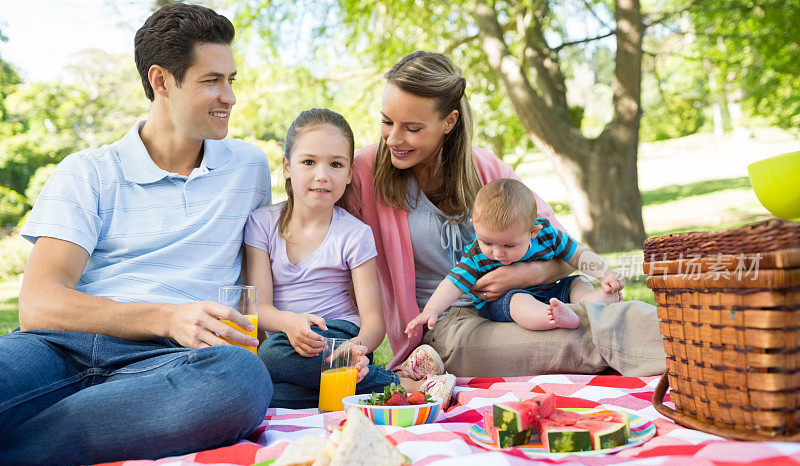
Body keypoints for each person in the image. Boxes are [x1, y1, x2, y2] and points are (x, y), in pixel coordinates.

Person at [0, 3, 272, 466]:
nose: (229, 96)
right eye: (212, 81)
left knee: (241, 379)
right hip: (59, 347)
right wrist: (167, 316)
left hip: (175, 363)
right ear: (162, 81)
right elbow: (39, 304)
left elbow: (258, 283)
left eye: (232, 80)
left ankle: (22, 451)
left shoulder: (248, 168)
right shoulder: (88, 172)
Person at [352, 50, 667, 378]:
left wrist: (524, 276)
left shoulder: (486, 171)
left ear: (449, 122)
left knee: (614, 313)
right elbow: (312, 218)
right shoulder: (366, 172)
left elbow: (558, 247)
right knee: (571, 342)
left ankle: (698, 341)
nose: (394, 138)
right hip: (446, 330)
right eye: (387, 122)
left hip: (520, 304)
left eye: (412, 128)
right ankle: (684, 353)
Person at [246, 108, 454, 408]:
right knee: (268, 388)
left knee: (270, 358)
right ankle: (384, 380)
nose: (322, 175)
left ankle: (401, 385)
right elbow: (260, 309)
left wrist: (353, 350)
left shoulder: (354, 234)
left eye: (335, 164)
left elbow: (373, 324)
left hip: (339, 337)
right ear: (287, 167)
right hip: (288, 340)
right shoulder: (262, 224)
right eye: (308, 162)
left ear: (348, 174)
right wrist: (290, 323)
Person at [406, 178, 625, 335]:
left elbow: (578, 255)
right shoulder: (476, 254)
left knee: (579, 281)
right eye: (487, 242)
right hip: (505, 302)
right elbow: (453, 282)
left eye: (509, 245)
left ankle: (592, 301)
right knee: (518, 300)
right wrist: (431, 310)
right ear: (476, 229)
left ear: (533, 232)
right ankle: (552, 318)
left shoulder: (548, 235)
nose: (497, 252)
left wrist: (605, 273)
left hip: (552, 291)